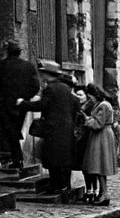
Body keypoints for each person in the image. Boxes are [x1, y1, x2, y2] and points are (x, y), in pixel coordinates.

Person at [16, 60, 76, 198]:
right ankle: (64, 185)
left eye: (43, 73)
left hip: (53, 129)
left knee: (52, 158)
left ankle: (56, 186)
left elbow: (42, 105)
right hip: (65, 129)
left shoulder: (51, 88)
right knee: (63, 159)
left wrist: (23, 103)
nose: (41, 75)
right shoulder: (65, 88)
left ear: (48, 74)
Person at [0, 41, 39, 170]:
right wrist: (24, 98)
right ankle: (17, 159)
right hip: (21, 105)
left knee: (9, 131)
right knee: (14, 131)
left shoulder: (2, 65)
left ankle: (15, 159)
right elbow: (35, 87)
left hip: (4, 104)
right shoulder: (28, 66)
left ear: (7, 51)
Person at [82, 83, 117, 206]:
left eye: (90, 96)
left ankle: (104, 194)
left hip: (101, 136)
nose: (89, 98)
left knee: (100, 165)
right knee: (101, 166)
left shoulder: (102, 105)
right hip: (103, 135)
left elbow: (97, 124)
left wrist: (87, 120)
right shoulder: (104, 104)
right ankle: (103, 193)